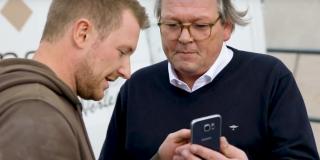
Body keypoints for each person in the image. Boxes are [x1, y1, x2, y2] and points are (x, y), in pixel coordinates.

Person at [99, 0, 320, 159]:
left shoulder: (270, 78)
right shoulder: (137, 87)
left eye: (200, 26)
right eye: (173, 25)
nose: (185, 38)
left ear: (227, 27)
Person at [0, 0, 149, 159]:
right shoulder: (38, 118)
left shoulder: (36, 103)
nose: (126, 72)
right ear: (82, 33)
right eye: (122, 52)